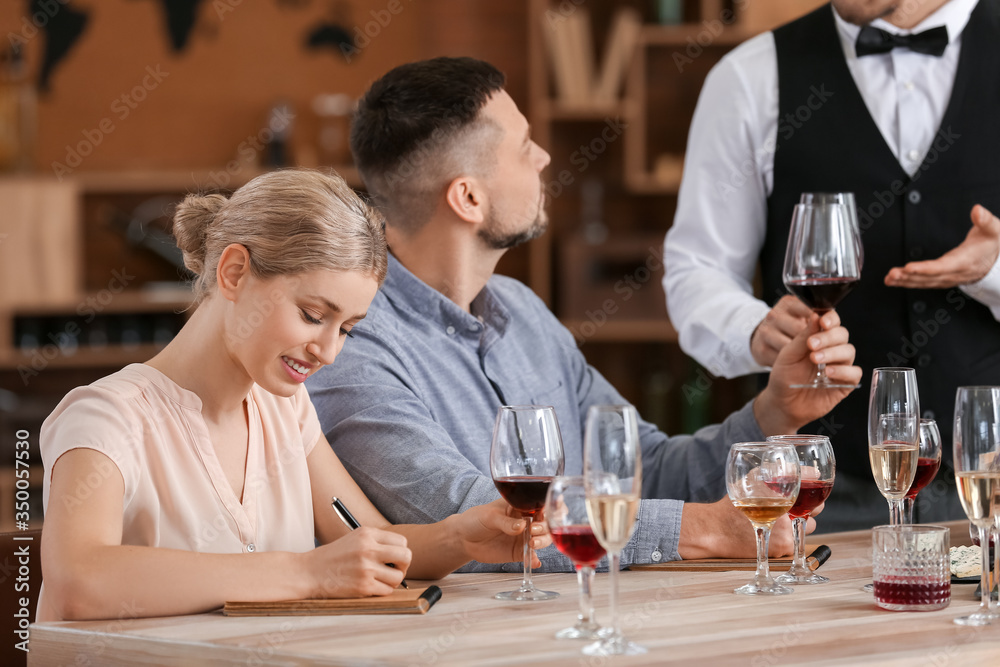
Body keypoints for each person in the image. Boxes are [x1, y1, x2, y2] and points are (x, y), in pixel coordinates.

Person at [306, 57, 862, 572]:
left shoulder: (523, 312)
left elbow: (646, 467)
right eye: (524, 146)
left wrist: (772, 412)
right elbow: (478, 520)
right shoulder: (350, 343)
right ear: (468, 199)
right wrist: (705, 532)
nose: (544, 157)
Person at [37, 169, 544, 622]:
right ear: (234, 273)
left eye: (347, 328)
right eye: (312, 315)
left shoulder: (284, 409)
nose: (327, 350)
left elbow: (367, 541)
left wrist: (462, 537)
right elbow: (81, 580)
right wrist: (308, 573)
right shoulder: (106, 418)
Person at [662, 0, 1000, 530]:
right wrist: (755, 331)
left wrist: (994, 271)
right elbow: (696, 268)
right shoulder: (751, 76)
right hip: (816, 489)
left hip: (989, 479)